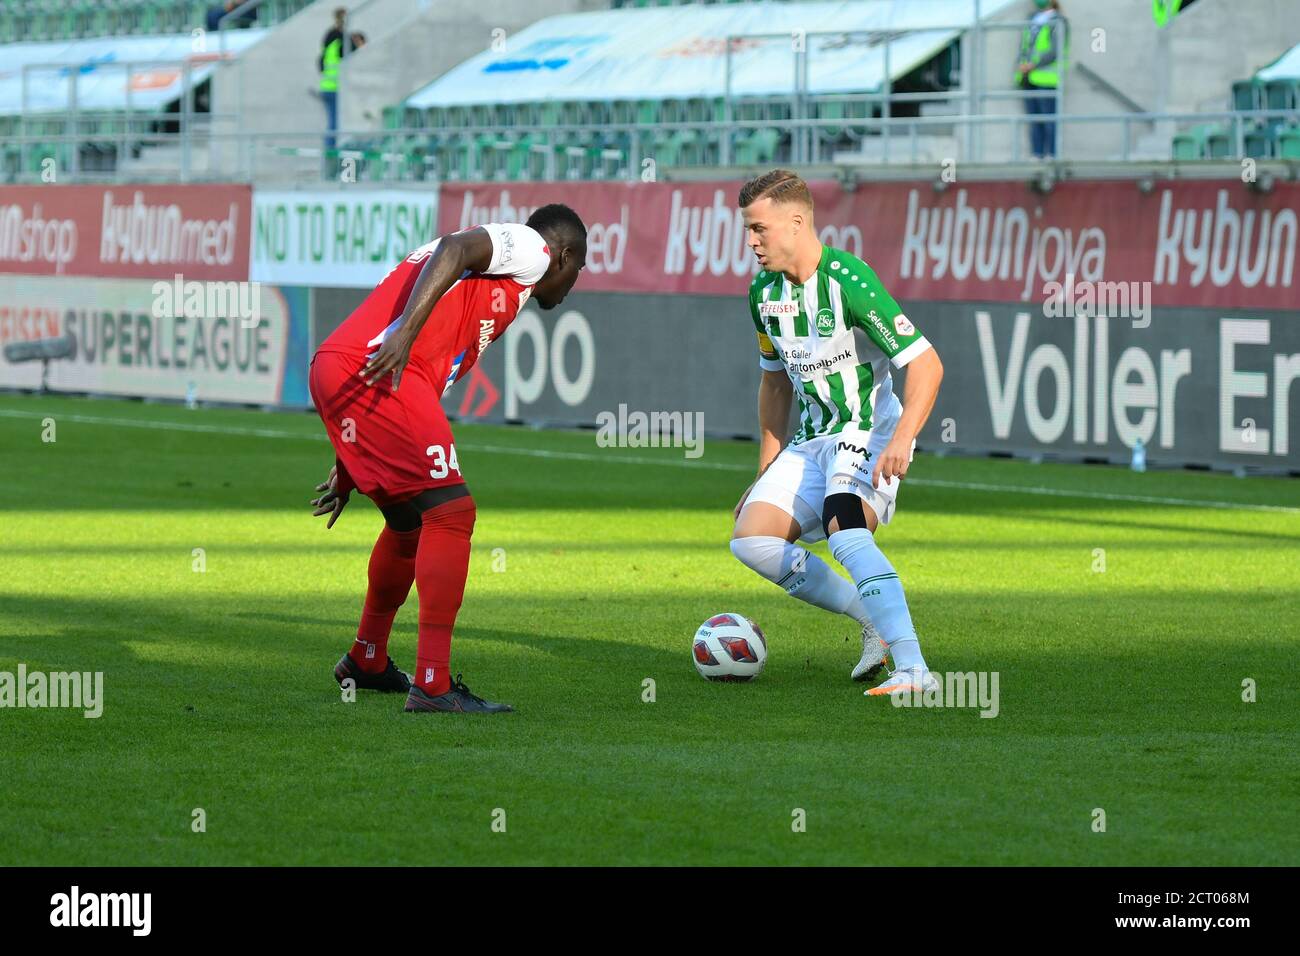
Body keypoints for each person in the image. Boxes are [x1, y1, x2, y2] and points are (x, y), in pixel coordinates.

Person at [308, 206, 587, 714]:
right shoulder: (532, 248)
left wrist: (349, 459)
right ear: (564, 254)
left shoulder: (488, 291)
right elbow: (455, 248)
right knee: (451, 513)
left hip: (344, 370)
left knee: (408, 521)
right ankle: (432, 684)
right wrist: (406, 334)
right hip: (385, 369)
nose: (572, 283)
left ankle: (367, 657)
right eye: (579, 268)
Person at [730, 170, 945, 697]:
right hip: (812, 437)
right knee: (751, 539)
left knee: (846, 530)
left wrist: (902, 439)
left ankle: (915, 668)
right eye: (748, 231)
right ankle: (871, 620)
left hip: (867, 430)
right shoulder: (763, 293)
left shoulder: (849, 281)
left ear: (797, 221)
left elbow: (927, 364)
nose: (751, 243)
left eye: (759, 229)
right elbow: (774, 384)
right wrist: (765, 470)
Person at [1016, 0, 1068, 159]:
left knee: (1049, 120)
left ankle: (1051, 155)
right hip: (1028, 79)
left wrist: (1033, 65)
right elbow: (1024, 47)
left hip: (1046, 79)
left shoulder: (1058, 21)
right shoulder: (1032, 19)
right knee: (1034, 120)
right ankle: (1037, 154)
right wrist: (1021, 66)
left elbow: (1055, 50)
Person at [319, 8, 348, 152]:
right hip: (336, 86)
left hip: (326, 85)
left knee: (332, 121)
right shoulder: (341, 40)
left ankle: (330, 148)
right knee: (334, 122)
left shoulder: (328, 38)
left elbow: (320, 62)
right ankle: (331, 151)